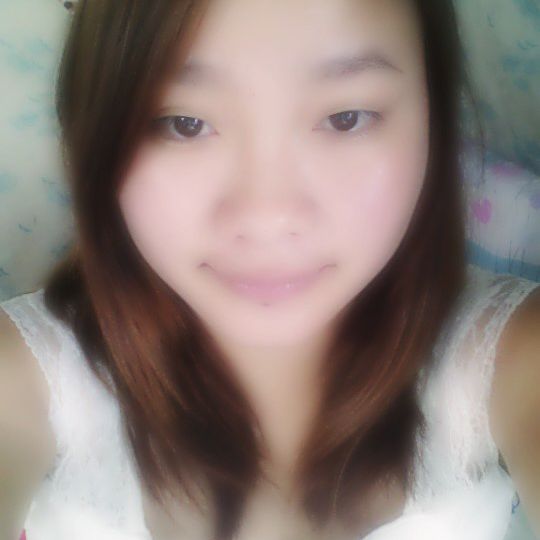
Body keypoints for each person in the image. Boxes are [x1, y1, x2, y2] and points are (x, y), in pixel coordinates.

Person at [0, 0, 539, 539]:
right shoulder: (21, 378)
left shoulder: (516, 358)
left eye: (345, 118)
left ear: (433, 124)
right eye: (185, 124)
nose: (268, 217)